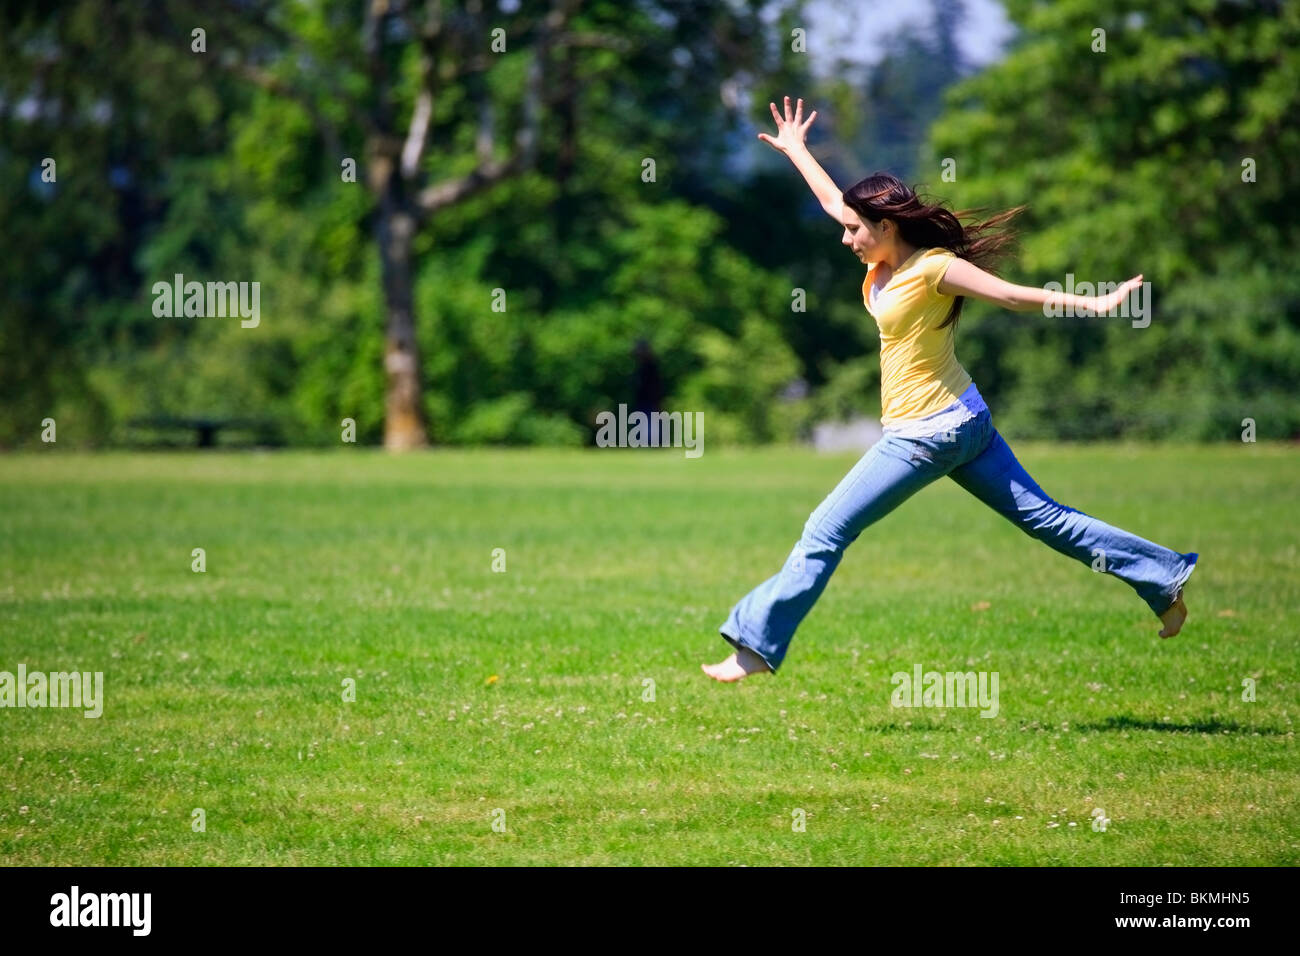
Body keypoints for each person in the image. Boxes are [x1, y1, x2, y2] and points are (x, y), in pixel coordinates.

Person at [703, 97, 1198, 683]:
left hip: (925, 434)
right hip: (966, 421)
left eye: (856, 231)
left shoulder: (933, 268)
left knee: (826, 529)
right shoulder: (881, 254)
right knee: (1049, 520)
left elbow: (1012, 296)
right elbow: (835, 202)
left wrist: (1093, 300)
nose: (846, 238)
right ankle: (1162, 580)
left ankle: (756, 646)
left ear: (887, 228)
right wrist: (798, 151)